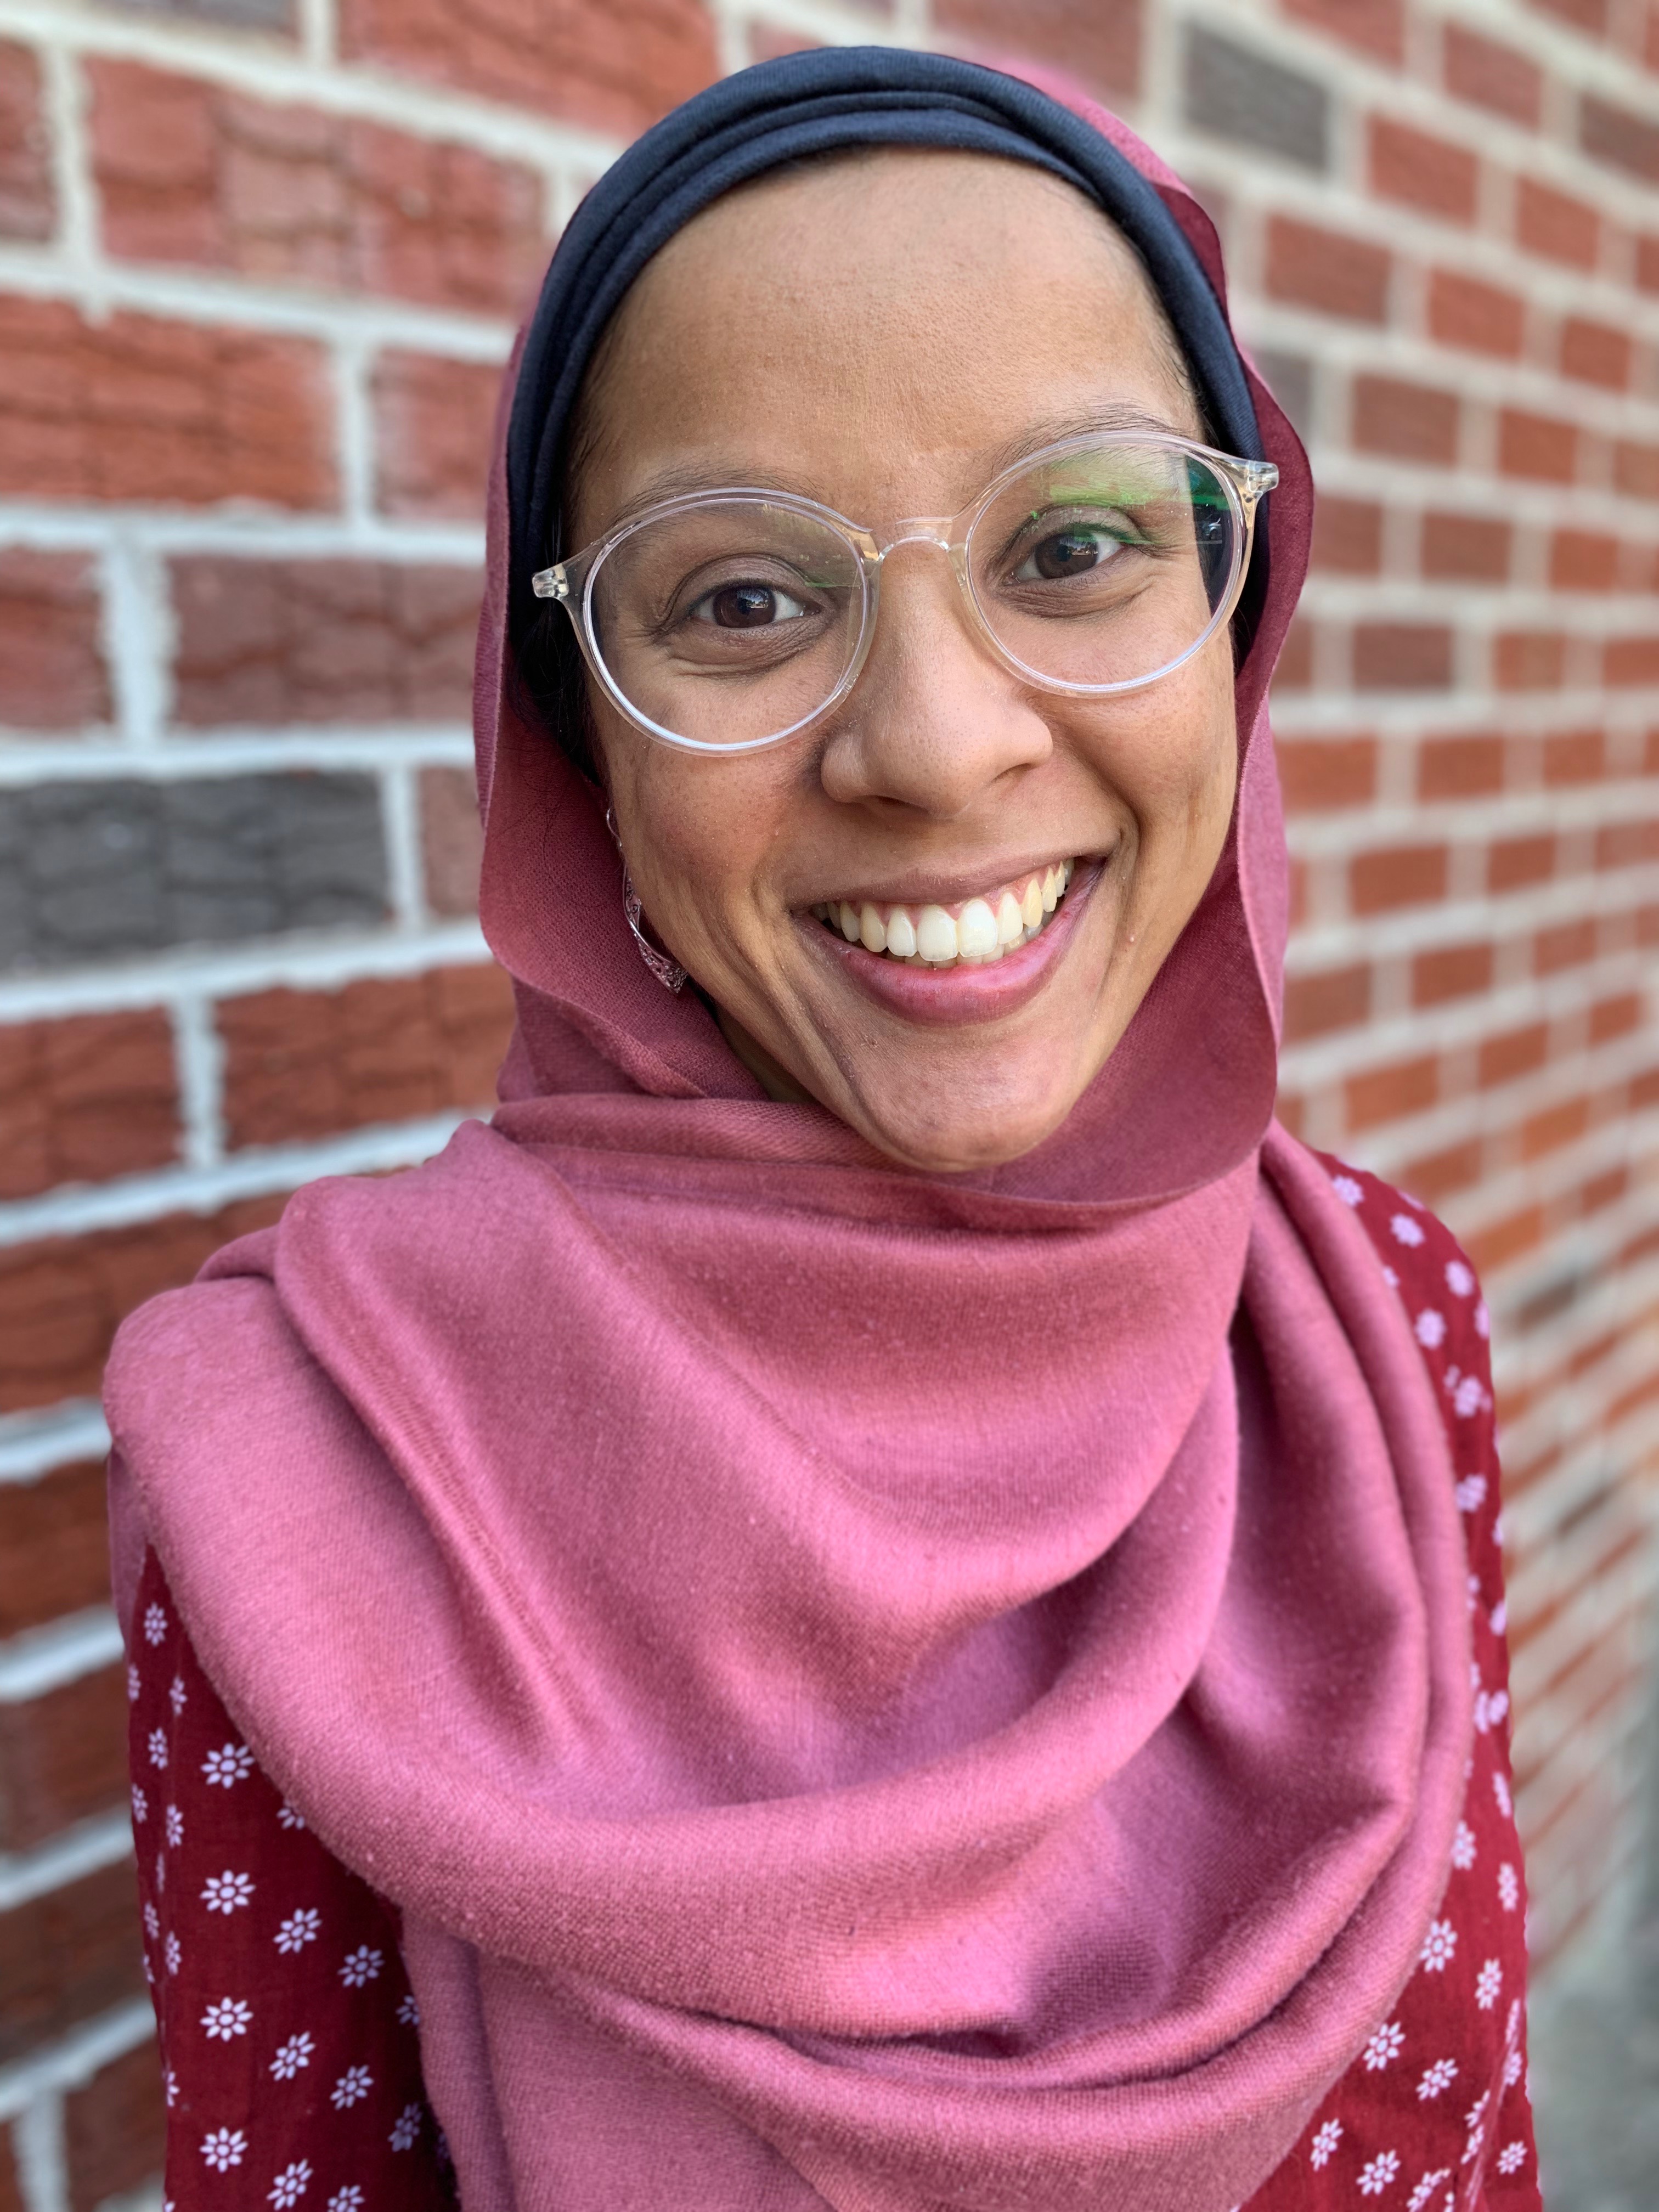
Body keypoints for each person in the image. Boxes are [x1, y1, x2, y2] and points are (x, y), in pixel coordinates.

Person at [105, 47, 1541, 2212]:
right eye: (745, 599)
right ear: (576, 744)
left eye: (1078, 544)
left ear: (1236, 626)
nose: (938, 747)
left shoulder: (1379, 1337)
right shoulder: (305, 1472)